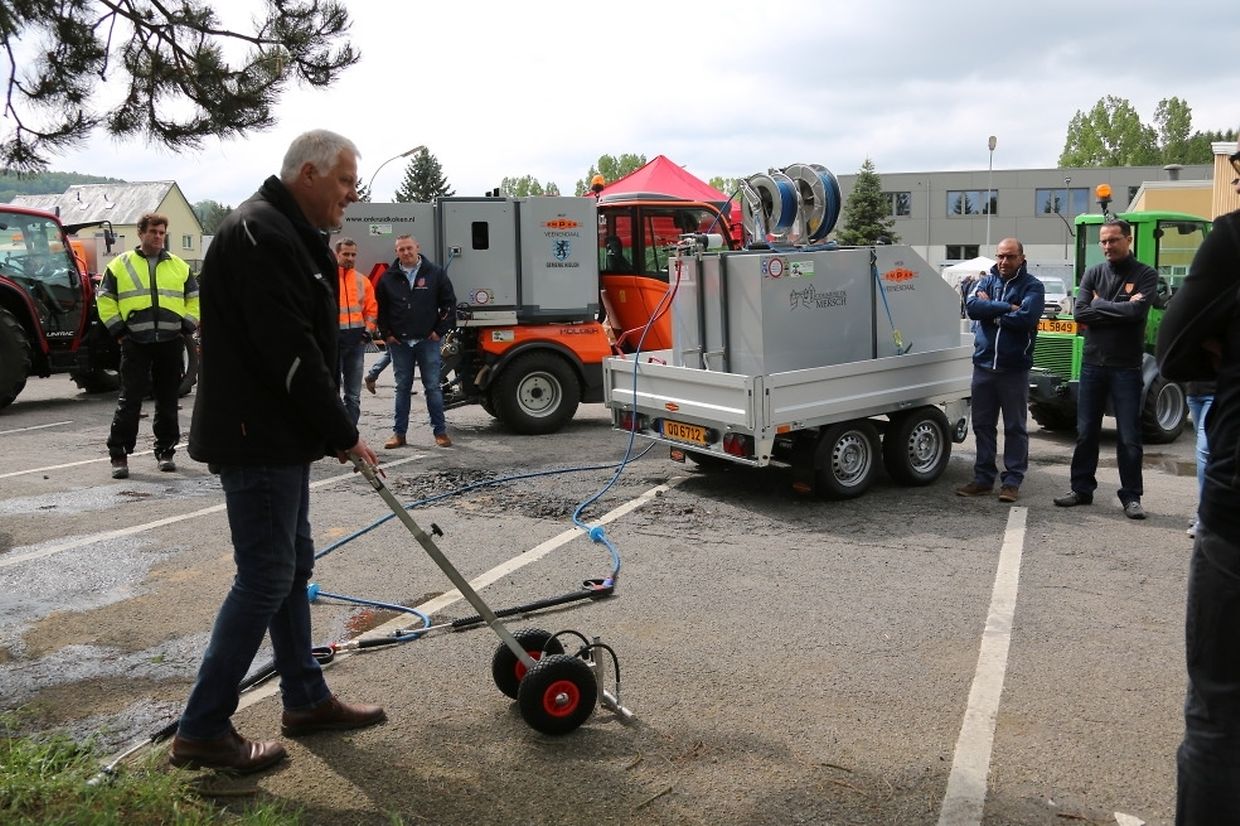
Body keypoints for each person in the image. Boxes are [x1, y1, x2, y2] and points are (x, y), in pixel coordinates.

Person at [171, 130, 385, 774]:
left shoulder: (286, 231)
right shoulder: (260, 233)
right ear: (309, 174)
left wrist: (326, 430)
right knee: (266, 574)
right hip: (255, 436)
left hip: (277, 436)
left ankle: (306, 698)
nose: (352, 195)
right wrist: (342, 431)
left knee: (290, 567)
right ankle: (203, 729)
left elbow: (302, 346)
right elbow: (291, 353)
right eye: (345, 181)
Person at [1155, 164, 1240, 823]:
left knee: (1218, 717)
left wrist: (1222, 347)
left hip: (1237, 517)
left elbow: (1173, 346)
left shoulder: (1232, 241)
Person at [1053, 219, 1157, 519]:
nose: (1108, 246)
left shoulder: (1145, 274)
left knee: (1128, 436)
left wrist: (1099, 305)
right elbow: (1080, 313)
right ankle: (1081, 489)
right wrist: (1119, 310)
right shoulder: (1093, 272)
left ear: (1129, 239)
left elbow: (1137, 311)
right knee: (1086, 432)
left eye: (1113, 240)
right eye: (1103, 241)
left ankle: (1131, 496)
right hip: (1092, 365)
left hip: (1127, 367)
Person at [96, 213, 199, 479]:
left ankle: (166, 452)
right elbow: (105, 298)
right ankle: (119, 454)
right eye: (153, 231)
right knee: (130, 400)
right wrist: (119, 331)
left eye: (162, 232)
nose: (158, 237)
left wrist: (186, 326)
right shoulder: (120, 265)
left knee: (168, 400)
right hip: (135, 343)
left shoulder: (179, 266)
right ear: (140, 233)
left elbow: (194, 298)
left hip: (170, 342)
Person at [955, 239, 1044, 503]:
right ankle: (983, 480)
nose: (1004, 261)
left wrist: (991, 311)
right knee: (983, 426)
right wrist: (1006, 307)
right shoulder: (986, 281)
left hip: (1013, 368)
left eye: (1010, 256)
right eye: (1000, 256)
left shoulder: (1032, 286)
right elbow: (972, 308)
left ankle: (1012, 482)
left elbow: (1027, 318)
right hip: (983, 366)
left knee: (1015, 427)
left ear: (1022, 258)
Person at [374, 234, 456, 448]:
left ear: (417, 247)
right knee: (402, 388)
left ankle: (440, 432)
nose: (406, 252)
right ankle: (399, 434)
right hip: (399, 343)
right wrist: (387, 335)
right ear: (396, 252)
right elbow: (380, 310)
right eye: (401, 249)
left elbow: (449, 305)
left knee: (432, 387)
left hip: (427, 341)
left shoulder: (435, 273)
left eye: (409, 248)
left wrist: (439, 331)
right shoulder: (387, 278)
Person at [334, 237, 378, 425]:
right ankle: (335, 434)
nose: (350, 258)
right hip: (333, 344)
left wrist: (367, 333)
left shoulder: (362, 281)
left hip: (356, 344)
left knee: (353, 395)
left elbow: (371, 310)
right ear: (337, 254)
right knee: (332, 394)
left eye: (353, 254)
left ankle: (351, 434)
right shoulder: (328, 280)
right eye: (346, 254)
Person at [1184, 380, 1214, 538]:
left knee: (1204, 450)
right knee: (1208, 453)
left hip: (1216, 393)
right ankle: (1207, 509)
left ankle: (1205, 517)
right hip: (1193, 392)